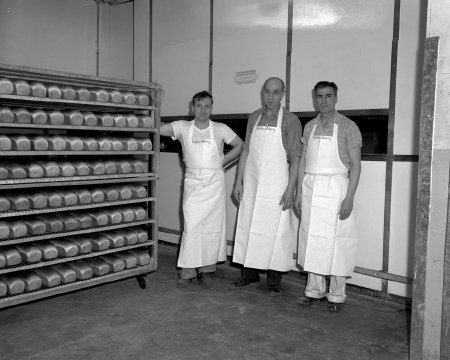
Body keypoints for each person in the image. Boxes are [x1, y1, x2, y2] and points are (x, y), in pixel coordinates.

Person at [160, 90, 243, 288]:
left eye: (207, 106)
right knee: (192, 227)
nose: (203, 110)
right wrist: (157, 104)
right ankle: (188, 271)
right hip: (193, 183)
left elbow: (240, 145)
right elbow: (157, 129)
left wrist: (222, 162)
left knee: (212, 228)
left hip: (215, 183)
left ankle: (207, 270)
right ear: (192, 107)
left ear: (212, 108)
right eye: (199, 106)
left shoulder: (221, 128)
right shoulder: (182, 127)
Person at [295, 81, 362, 312]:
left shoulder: (348, 126)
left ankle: (336, 295)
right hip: (311, 188)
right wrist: (298, 192)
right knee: (312, 239)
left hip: (336, 189)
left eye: (328, 96)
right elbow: (303, 158)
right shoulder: (310, 126)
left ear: (336, 98)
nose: (323, 101)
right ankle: (314, 290)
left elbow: (356, 165)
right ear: (315, 98)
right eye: (319, 96)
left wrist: (349, 198)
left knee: (337, 242)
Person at [232, 77, 302, 294]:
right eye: (267, 92)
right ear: (262, 93)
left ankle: (274, 281)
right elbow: (245, 150)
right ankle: (249, 275)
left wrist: (291, 189)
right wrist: (238, 180)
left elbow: (296, 158)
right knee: (249, 225)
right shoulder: (254, 117)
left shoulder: (291, 121)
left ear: (283, 94)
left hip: (276, 185)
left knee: (276, 230)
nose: (270, 97)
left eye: (276, 92)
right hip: (253, 184)